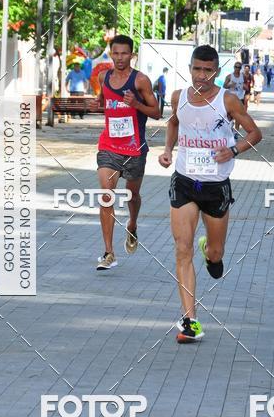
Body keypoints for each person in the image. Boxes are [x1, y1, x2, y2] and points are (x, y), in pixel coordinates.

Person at [158, 45, 262, 343]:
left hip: (216, 186)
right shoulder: (178, 97)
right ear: (190, 68)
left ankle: (211, 253)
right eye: (197, 69)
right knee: (182, 249)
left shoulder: (227, 100)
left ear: (216, 72)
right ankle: (190, 321)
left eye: (208, 70)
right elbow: (174, 122)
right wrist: (167, 150)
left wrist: (233, 150)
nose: (201, 75)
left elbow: (255, 133)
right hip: (185, 181)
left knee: (216, 255)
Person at [96, 35, 160, 270]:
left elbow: (157, 113)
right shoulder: (103, 77)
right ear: (110, 54)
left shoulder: (140, 80)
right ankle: (108, 253)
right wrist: (97, 103)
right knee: (106, 195)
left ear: (132, 55)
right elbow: (102, 99)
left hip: (134, 149)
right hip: (109, 146)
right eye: (116, 53)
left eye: (124, 53)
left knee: (132, 196)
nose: (120, 57)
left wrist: (136, 104)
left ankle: (132, 224)